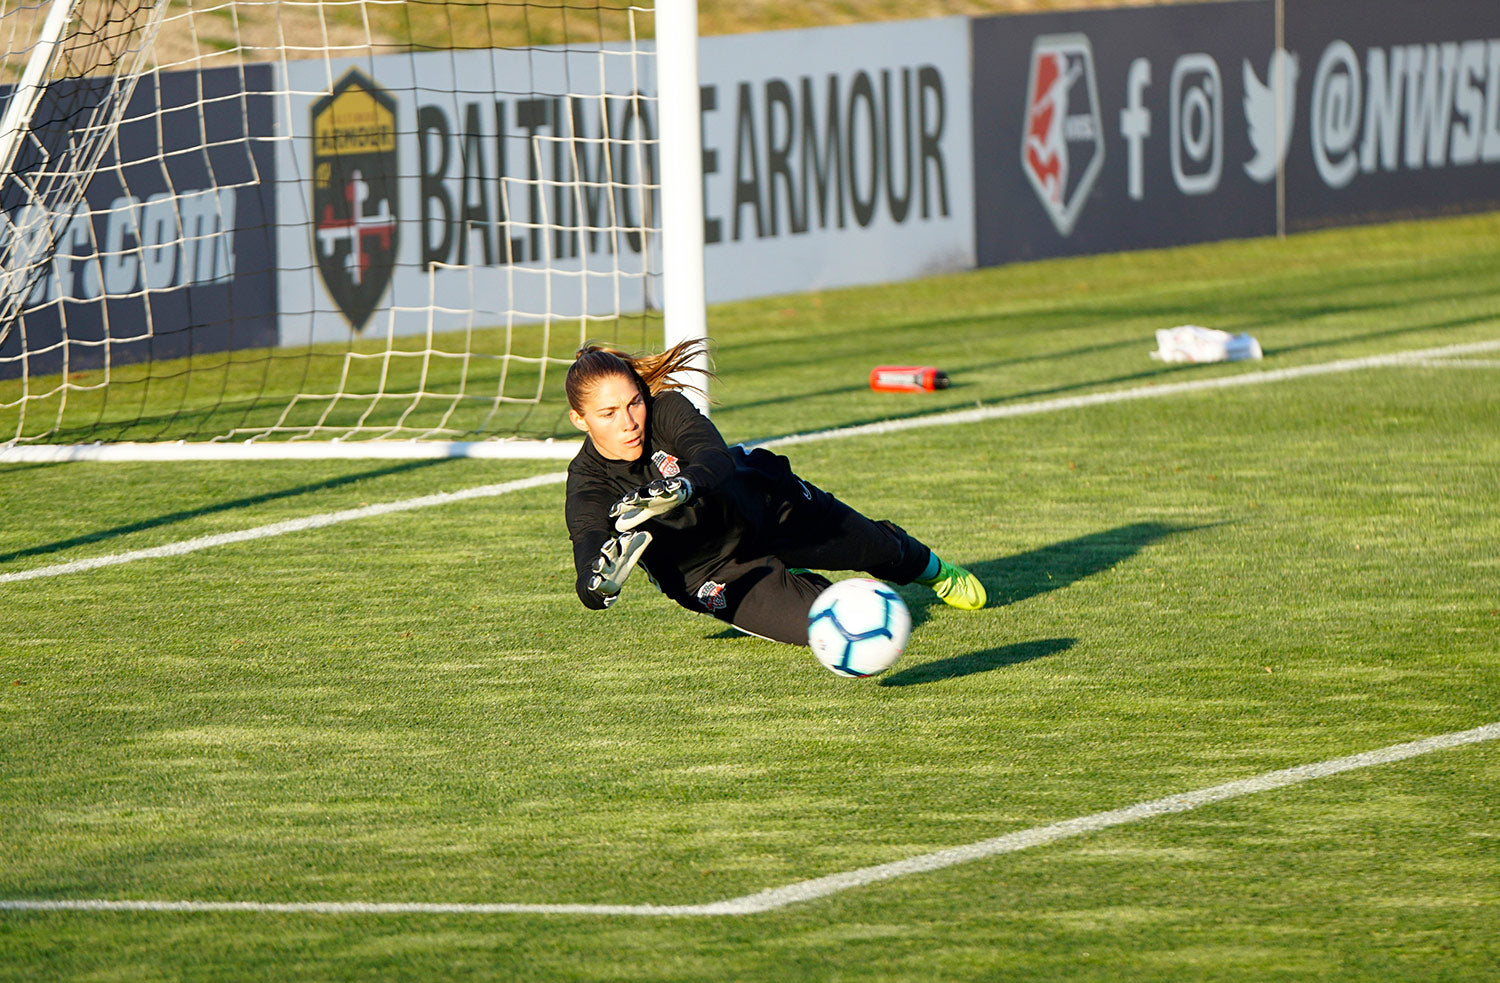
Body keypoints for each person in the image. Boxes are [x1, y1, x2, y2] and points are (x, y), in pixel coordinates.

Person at [564, 340, 986, 645]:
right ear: (580, 420)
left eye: (634, 403)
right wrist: (600, 587)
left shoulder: (667, 410)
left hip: (767, 507)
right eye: (608, 413)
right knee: (831, 628)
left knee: (883, 550)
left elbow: (713, 457)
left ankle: (935, 571)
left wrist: (686, 486)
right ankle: (799, 580)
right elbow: (588, 547)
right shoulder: (587, 483)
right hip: (712, 573)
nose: (628, 422)